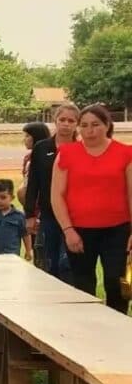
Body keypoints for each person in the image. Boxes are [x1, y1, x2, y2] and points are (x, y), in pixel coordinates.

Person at [51, 103, 132, 313]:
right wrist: (68, 230)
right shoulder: (66, 153)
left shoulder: (125, 153)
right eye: (84, 125)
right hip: (79, 231)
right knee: (83, 284)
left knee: (115, 282)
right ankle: (87, 331)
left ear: (107, 125)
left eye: (95, 125)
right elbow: (56, 196)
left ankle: (118, 327)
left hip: (117, 230)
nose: (90, 130)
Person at [24, 102, 79, 278]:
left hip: (74, 215)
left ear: (77, 123)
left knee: (68, 263)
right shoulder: (41, 148)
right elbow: (33, 183)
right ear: (55, 120)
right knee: (50, 261)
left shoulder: (81, 149)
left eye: (71, 121)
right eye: (62, 119)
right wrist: (30, 214)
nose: (66, 124)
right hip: (48, 213)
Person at [0, 179, 33, 258]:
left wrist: (28, 250)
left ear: (12, 198)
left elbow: (26, 234)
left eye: (3, 197)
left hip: (13, 256)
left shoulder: (19, 216)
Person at [17, 122, 51, 206]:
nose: (24, 139)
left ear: (37, 137)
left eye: (27, 136)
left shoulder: (48, 157)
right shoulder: (28, 158)